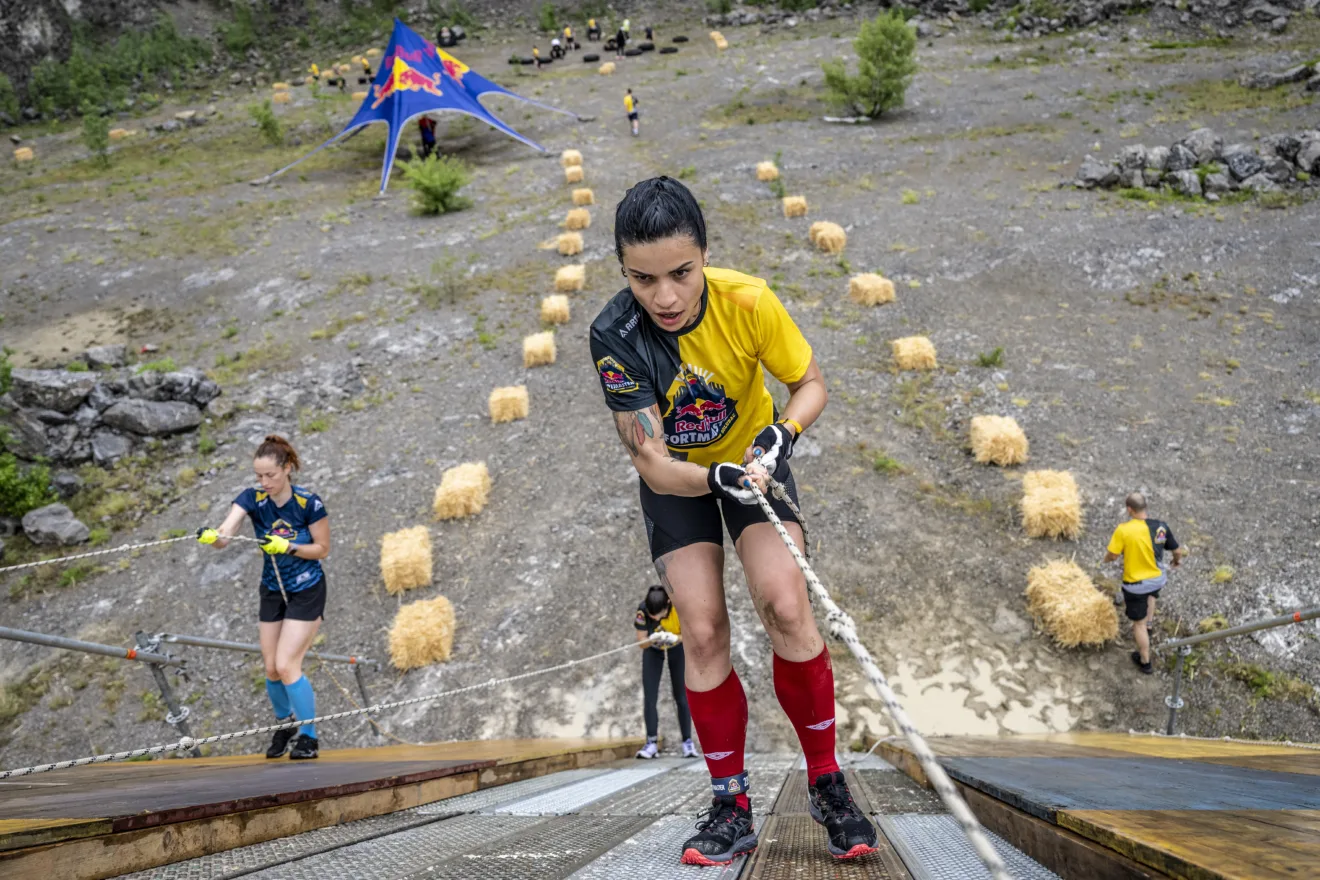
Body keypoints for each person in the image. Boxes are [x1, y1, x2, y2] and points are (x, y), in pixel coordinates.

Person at [588, 177, 879, 866]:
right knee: (704, 627)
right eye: (643, 278)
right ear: (623, 269)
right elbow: (653, 464)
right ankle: (730, 801)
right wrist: (710, 474)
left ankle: (828, 782)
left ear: (705, 257)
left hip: (755, 465)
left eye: (681, 274)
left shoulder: (748, 300)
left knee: (786, 605)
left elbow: (811, 384)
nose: (664, 296)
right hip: (682, 483)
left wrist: (785, 434)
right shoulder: (614, 333)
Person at [198, 436, 330, 760]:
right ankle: (284, 725)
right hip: (272, 588)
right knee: (271, 668)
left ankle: (309, 736)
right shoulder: (252, 499)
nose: (264, 482)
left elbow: (322, 549)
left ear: (286, 469)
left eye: (269, 475)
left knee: (287, 664)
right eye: (258, 476)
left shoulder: (308, 504)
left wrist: (288, 547)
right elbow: (227, 533)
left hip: (306, 588)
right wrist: (214, 538)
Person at [1103, 492, 1184, 675]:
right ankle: (1149, 623)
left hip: (1136, 585)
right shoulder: (1161, 527)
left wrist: (1106, 559)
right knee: (1151, 595)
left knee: (1136, 624)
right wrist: (1176, 561)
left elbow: (1113, 555)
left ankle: (1145, 661)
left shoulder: (1123, 530)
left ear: (1129, 510)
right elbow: (1177, 550)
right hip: (1158, 579)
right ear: (1145, 507)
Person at [635, 585, 699, 759]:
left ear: (668, 604)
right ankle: (651, 742)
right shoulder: (643, 611)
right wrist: (650, 639)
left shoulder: (679, 608)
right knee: (650, 696)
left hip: (677, 647)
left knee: (681, 696)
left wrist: (676, 638)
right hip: (653, 650)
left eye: (658, 614)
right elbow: (640, 642)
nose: (655, 617)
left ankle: (687, 742)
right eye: (652, 614)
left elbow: (693, 635)